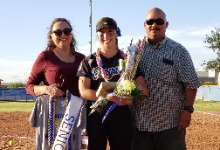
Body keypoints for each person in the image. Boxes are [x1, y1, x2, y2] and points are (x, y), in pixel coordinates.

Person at [131, 8, 201, 150]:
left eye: (159, 21)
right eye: (150, 21)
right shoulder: (133, 51)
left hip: (170, 126)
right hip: (139, 125)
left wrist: (187, 110)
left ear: (166, 24)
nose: (154, 25)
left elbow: (191, 83)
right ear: (144, 25)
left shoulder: (178, 51)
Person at [77, 17, 148, 150]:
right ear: (97, 35)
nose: (106, 36)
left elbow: (144, 89)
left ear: (117, 33)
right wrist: (108, 97)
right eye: (101, 33)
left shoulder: (128, 60)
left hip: (121, 117)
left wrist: (129, 93)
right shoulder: (88, 61)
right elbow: (84, 91)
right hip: (96, 118)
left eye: (110, 31)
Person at [26, 18, 85, 150]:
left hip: (77, 115)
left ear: (71, 34)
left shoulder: (82, 59)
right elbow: (29, 87)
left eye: (67, 31)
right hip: (53, 116)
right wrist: (46, 89)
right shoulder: (45, 57)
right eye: (58, 32)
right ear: (51, 36)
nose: (63, 35)